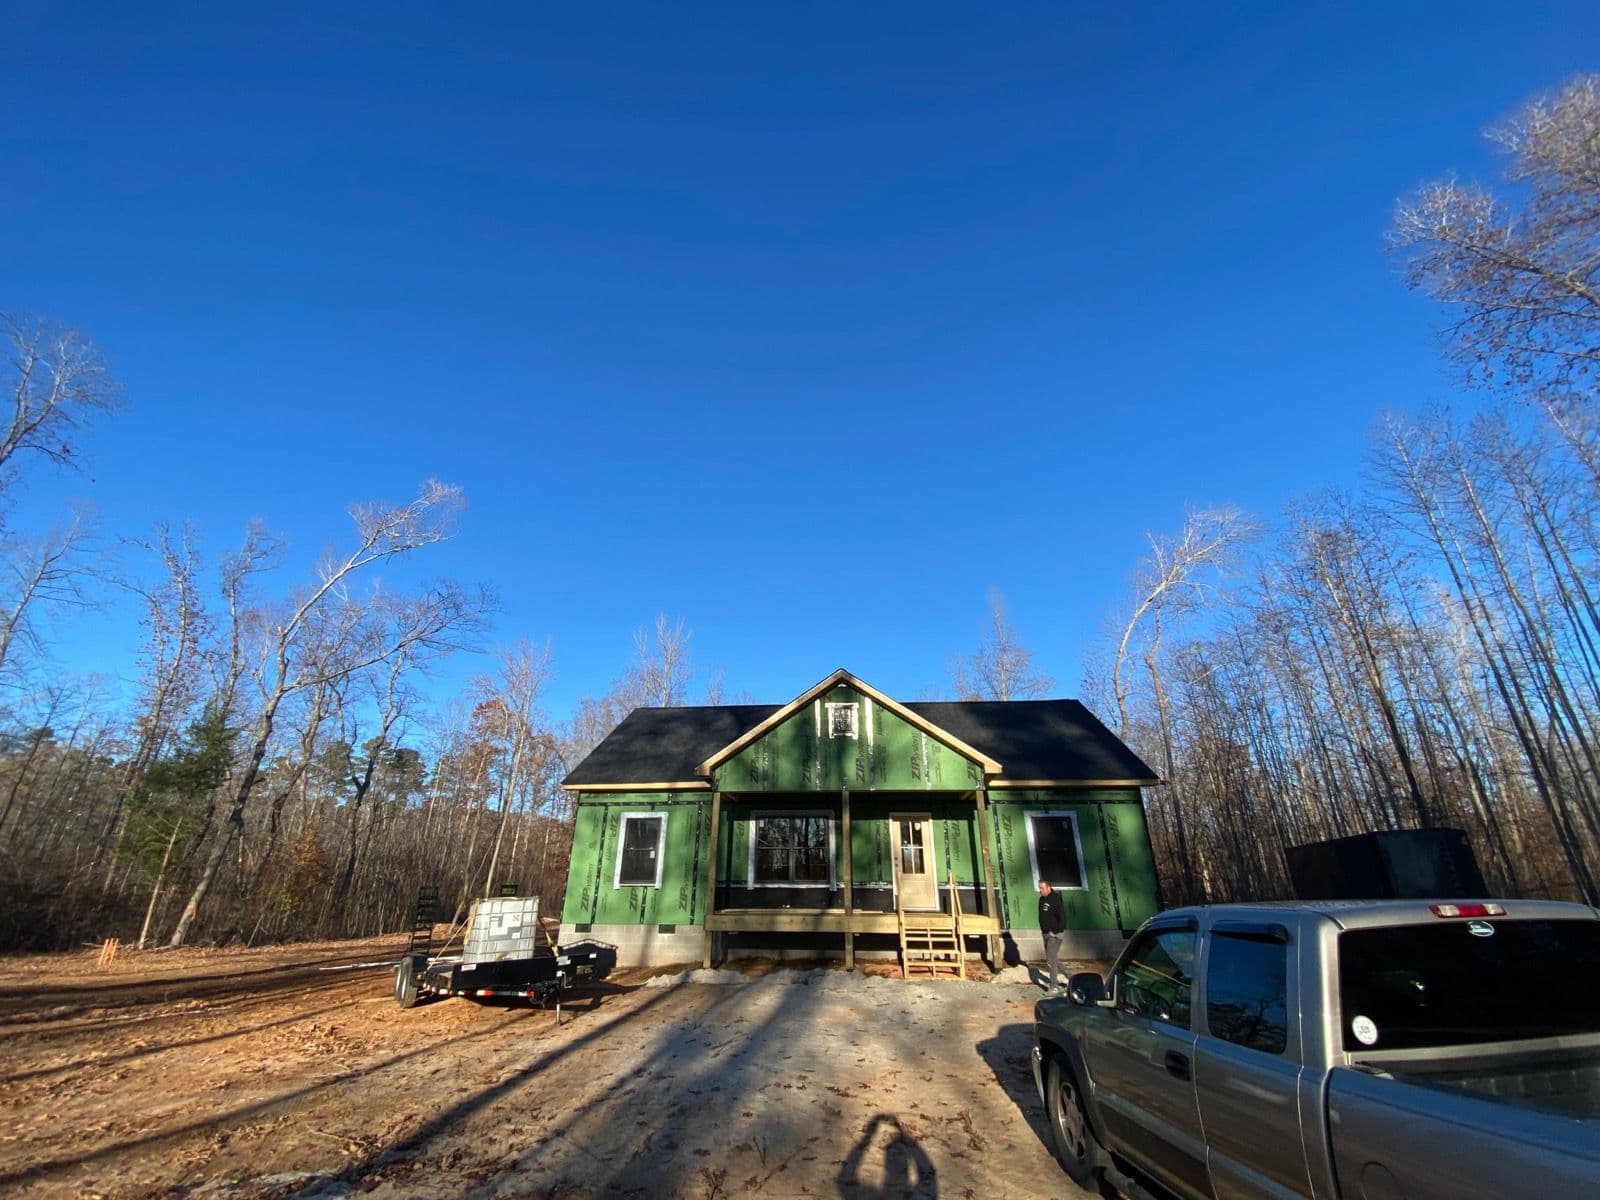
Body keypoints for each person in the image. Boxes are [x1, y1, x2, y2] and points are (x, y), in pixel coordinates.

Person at [1038, 880, 1066, 991]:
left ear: (1049, 887)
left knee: (1050, 960)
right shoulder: (1041, 900)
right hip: (1045, 934)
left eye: (1042, 888)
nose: (1040, 890)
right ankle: (1072, 977)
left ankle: (1054, 986)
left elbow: (1063, 919)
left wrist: (1055, 931)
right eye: (1039, 888)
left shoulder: (1055, 899)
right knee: (1053, 959)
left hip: (1055, 935)